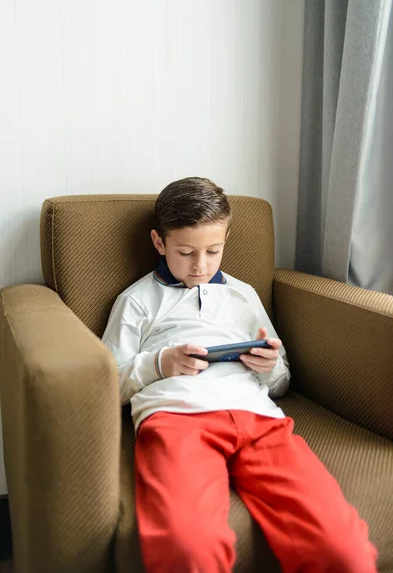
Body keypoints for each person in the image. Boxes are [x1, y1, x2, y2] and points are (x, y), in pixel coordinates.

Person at [102, 177, 377, 573]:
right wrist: (161, 363)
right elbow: (108, 382)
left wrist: (269, 369)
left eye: (213, 251)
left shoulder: (244, 294)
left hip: (260, 421)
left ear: (227, 238)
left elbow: (281, 381)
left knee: (342, 549)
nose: (200, 265)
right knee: (187, 548)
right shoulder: (137, 301)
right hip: (178, 420)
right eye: (185, 252)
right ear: (159, 243)